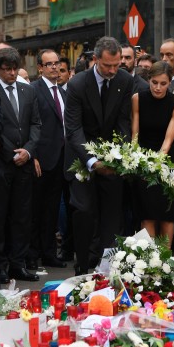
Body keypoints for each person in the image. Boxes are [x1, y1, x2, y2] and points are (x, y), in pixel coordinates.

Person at [65, 36, 133, 275]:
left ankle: (108, 270)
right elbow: (73, 129)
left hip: (112, 157)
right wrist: (93, 161)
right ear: (95, 60)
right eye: (108, 66)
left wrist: (116, 156)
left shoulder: (124, 80)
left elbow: (124, 121)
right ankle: (83, 267)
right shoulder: (77, 84)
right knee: (84, 212)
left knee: (112, 217)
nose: (113, 70)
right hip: (82, 157)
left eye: (117, 65)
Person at [0, 47, 42, 281]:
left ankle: (18, 263)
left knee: (23, 216)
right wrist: (8, 151)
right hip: (2, 163)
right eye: (7, 70)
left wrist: (29, 151)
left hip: (25, 162)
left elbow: (35, 124)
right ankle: (1, 264)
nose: (12, 73)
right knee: (0, 215)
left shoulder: (27, 90)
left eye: (14, 69)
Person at [131, 61, 174, 244]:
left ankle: (165, 260)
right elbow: (135, 135)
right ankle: (148, 259)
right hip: (142, 160)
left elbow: (169, 138)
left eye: (163, 83)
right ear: (149, 80)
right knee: (147, 214)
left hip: (167, 161)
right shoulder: (138, 98)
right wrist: (138, 160)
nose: (158, 87)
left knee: (167, 215)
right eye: (154, 82)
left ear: (170, 83)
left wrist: (157, 162)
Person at [29, 49, 67, 270]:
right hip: (40, 159)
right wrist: (33, 155)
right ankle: (33, 254)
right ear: (40, 67)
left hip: (60, 159)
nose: (54, 67)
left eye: (57, 63)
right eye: (49, 64)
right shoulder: (33, 90)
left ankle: (49, 252)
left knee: (52, 210)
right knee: (35, 210)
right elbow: (31, 123)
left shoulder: (63, 92)